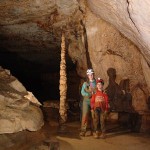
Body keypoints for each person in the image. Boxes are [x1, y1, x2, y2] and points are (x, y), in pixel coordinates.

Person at [79, 69, 96, 136]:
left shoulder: (96, 83)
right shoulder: (85, 83)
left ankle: (94, 130)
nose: (90, 76)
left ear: (93, 75)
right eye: (89, 75)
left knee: (94, 116)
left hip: (93, 101)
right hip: (86, 101)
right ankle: (83, 130)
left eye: (91, 74)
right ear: (88, 75)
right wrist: (87, 95)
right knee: (85, 115)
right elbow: (82, 92)